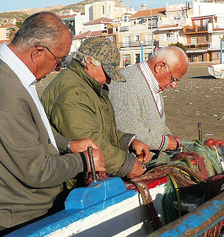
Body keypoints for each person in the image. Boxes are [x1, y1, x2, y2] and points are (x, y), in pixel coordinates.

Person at [0, 12, 106, 237]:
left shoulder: (6, 67)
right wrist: (85, 161)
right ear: (38, 51)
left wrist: (68, 145)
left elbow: (31, 127)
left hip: (13, 209)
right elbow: (38, 172)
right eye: (58, 60)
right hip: (9, 220)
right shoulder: (5, 95)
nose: (58, 68)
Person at [41, 36, 151, 181]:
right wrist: (127, 165)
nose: (109, 80)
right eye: (107, 72)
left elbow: (101, 129)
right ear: (88, 62)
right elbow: (88, 140)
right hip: (73, 185)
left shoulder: (87, 85)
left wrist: (128, 142)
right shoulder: (72, 91)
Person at [108, 46, 188, 155]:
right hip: (135, 163)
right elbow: (128, 130)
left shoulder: (155, 83)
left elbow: (154, 122)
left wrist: (168, 135)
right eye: (173, 79)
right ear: (159, 66)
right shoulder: (126, 83)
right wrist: (166, 143)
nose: (174, 85)